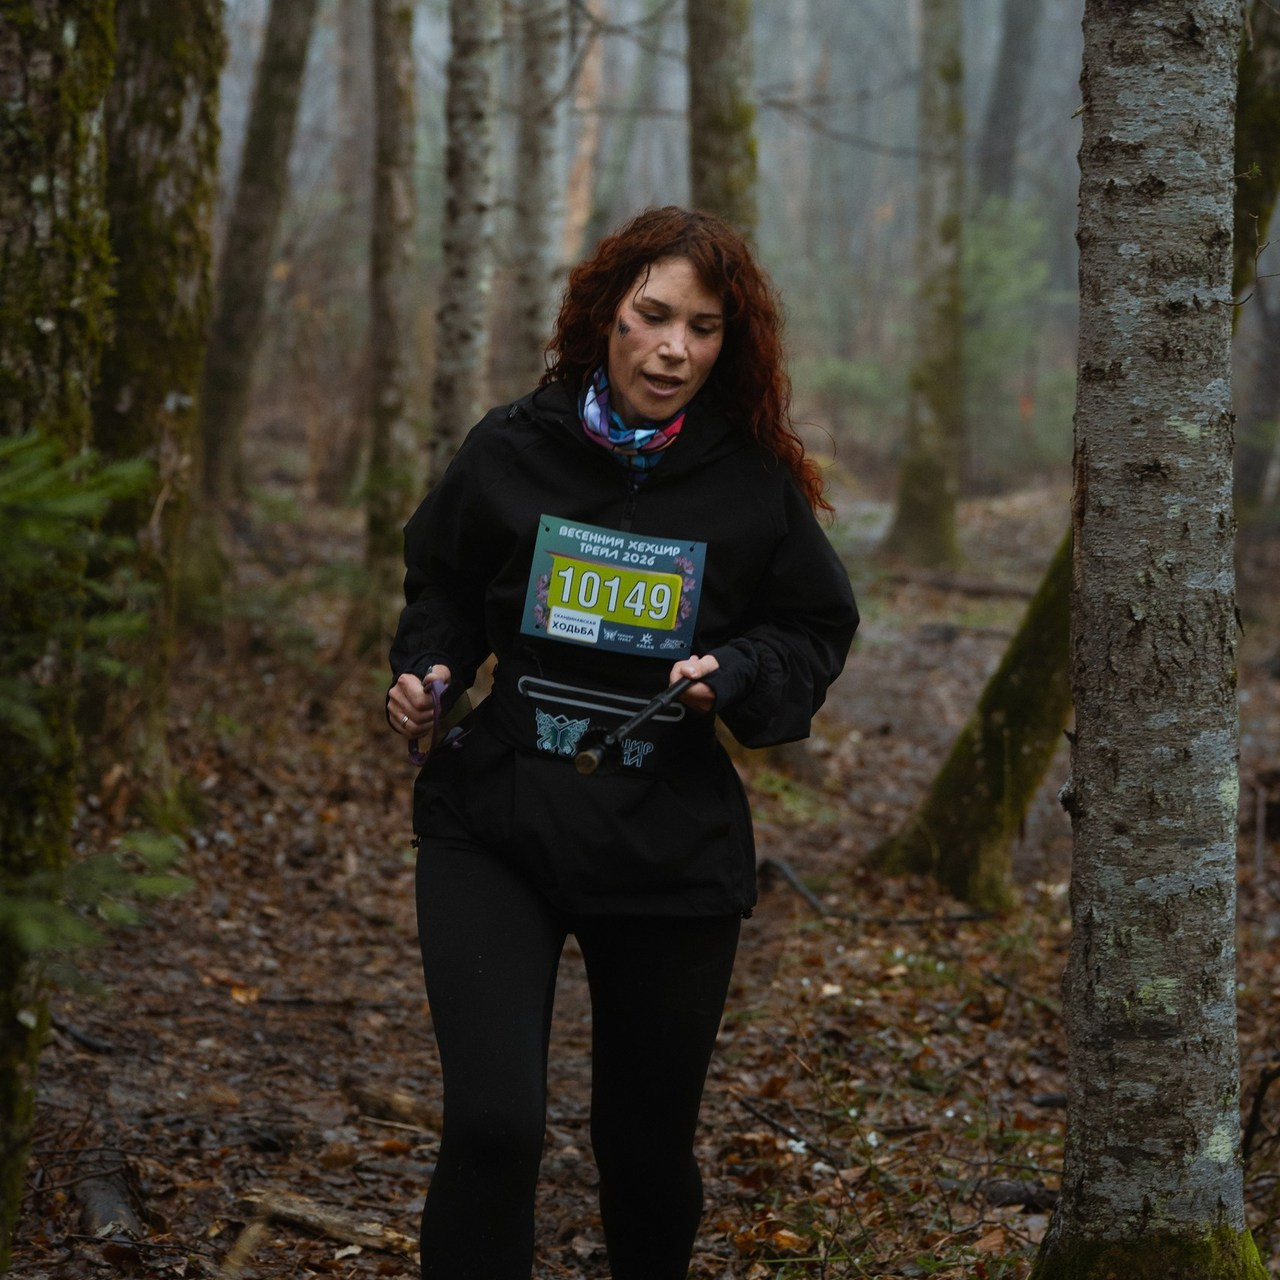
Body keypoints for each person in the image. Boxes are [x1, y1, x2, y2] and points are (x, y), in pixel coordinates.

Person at [386, 206, 858, 1280]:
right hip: (497, 822)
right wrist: (430, 672)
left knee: (642, 1150)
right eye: (651, 316)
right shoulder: (514, 446)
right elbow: (444, 585)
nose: (671, 349)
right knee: (495, 1125)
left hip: (667, 846)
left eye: (700, 328)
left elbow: (812, 630)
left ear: (726, 347)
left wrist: (732, 673)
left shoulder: (747, 484)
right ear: (605, 314)